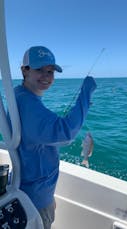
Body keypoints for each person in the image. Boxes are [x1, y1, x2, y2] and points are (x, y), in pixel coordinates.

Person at [14, 46, 97, 228]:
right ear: (24, 70)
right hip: (36, 199)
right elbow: (65, 133)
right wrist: (86, 94)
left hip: (33, 191)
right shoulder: (28, 105)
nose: (46, 76)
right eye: (39, 70)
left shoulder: (21, 96)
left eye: (50, 71)